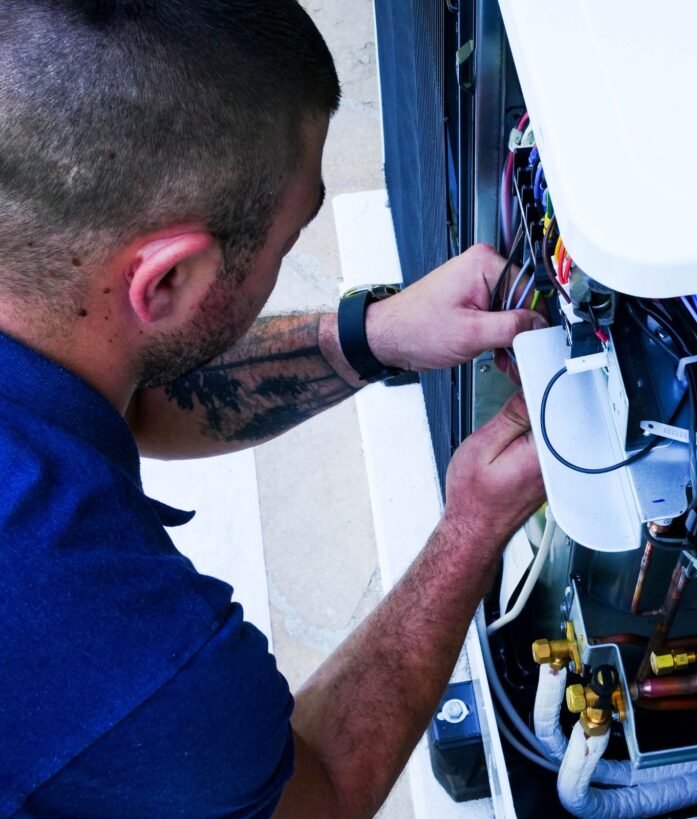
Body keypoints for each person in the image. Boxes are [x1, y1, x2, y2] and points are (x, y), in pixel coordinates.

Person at [0, 2, 545, 817]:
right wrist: (468, 531)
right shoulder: (121, 658)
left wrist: (377, 335)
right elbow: (318, 788)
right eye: (289, 243)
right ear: (168, 280)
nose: (288, 259)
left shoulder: (39, 280)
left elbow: (131, 392)